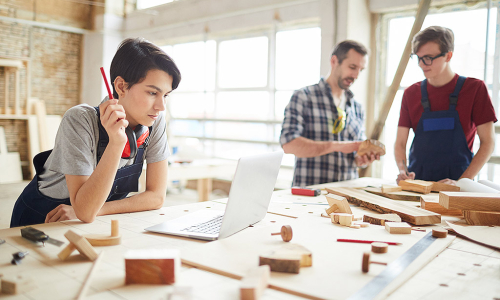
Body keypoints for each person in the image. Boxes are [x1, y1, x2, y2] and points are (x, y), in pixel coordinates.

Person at [10, 38, 181, 227]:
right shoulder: (80, 120)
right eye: (152, 93)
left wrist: (100, 209)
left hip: (88, 217)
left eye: (165, 95)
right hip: (42, 217)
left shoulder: (153, 123)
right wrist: (116, 143)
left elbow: (156, 197)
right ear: (121, 86)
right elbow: (85, 210)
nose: (160, 106)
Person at [395, 26, 496, 184]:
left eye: (428, 57)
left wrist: (462, 183)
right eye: (418, 58)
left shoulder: (475, 89)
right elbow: (400, 143)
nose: (422, 64)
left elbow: (488, 142)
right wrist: (403, 171)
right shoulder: (410, 93)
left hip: (459, 186)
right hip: (419, 185)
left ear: (448, 56)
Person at [280, 40, 378, 187]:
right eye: (352, 67)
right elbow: (288, 144)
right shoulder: (304, 97)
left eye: (360, 70)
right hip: (309, 196)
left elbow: (355, 157)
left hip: (347, 196)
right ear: (334, 61)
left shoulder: (357, 107)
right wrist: (335, 146)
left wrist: (362, 159)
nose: (356, 75)